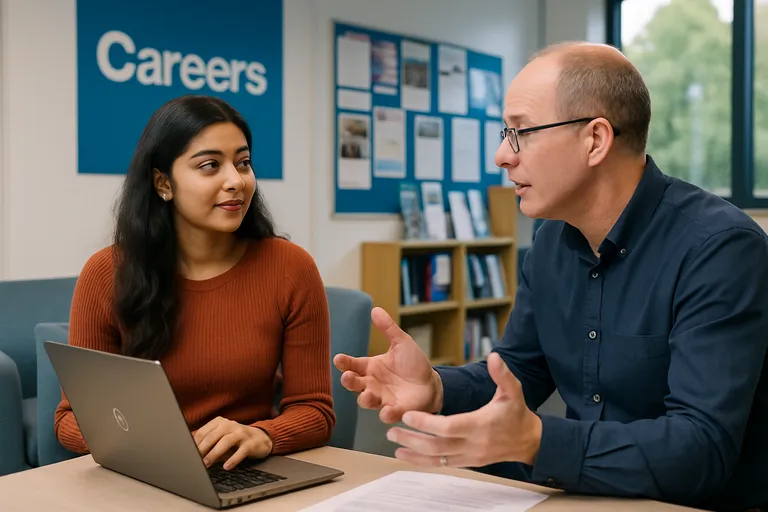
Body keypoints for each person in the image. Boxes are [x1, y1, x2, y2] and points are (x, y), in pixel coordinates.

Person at [334, 41, 768, 512]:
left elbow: (700, 448)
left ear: (596, 140)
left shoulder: (719, 247)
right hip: (579, 496)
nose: (502, 155)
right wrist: (437, 388)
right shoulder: (549, 243)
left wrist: (538, 442)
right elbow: (521, 370)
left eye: (520, 132)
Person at [54, 95, 335, 471]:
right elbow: (70, 419)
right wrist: (155, 446)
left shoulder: (291, 268)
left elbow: (315, 411)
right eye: (210, 166)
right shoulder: (106, 273)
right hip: (144, 471)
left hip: (246, 471)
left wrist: (264, 435)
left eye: (243, 163)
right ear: (163, 183)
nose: (235, 181)